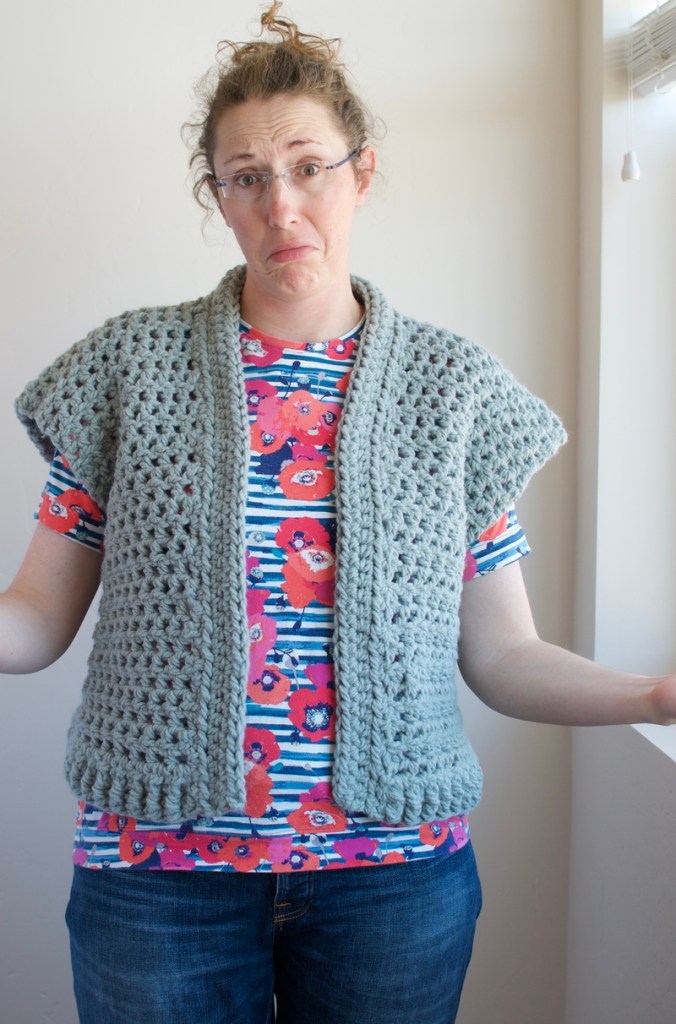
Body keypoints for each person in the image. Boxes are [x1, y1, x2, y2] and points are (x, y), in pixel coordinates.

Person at [3, 4, 675, 1022]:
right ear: (218, 195)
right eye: (245, 177)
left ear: (362, 173)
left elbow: (502, 655)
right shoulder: (125, 374)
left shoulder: (452, 391)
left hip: (392, 886)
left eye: (309, 166)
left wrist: (654, 696)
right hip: (157, 881)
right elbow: (34, 621)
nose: (281, 204)